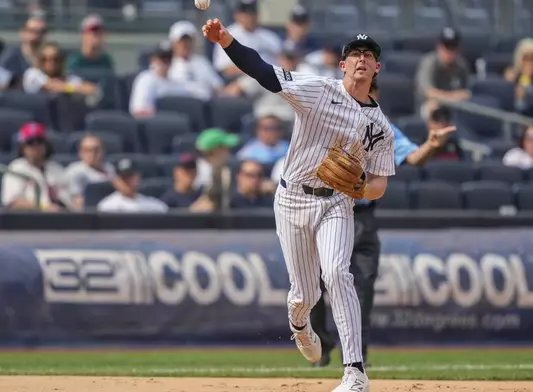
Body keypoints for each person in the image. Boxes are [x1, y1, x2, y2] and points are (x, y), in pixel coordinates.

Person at [204, 19, 395, 391]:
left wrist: (359, 185)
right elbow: (264, 72)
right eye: (354, 54)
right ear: (342, 65)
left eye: (367, 55)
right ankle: (298, 322)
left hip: (337, 203)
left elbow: (379, 185)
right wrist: (225, 40)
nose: (360, 59)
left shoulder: (381, 128)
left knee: (339, 273)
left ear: (376, 67)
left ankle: (355, 372)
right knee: (304, 295)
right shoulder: (317, 90)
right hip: (292, 199)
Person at [309, 81, 456, 367]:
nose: (367, 96)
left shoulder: (383, 129)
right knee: (314, 284)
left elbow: (413, 156)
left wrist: (431, 145)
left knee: (363, 287)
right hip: (325, 211)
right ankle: (322, 348)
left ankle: (356, 354)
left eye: (371, 91)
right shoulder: (327, 120)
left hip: (361, 216)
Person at [2, 122, 70, 211]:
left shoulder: (56, 168)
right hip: (28, 219)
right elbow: (12, 202)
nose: (36, 146)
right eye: (30, 142)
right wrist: (43, 207)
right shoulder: (16, 169)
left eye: (39, 141)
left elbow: (69, 200)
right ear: (23, 147)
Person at [212, 0, 282, 78]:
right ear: (237, 15)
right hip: (240, 80)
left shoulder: (270, 37)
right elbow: (225, 70)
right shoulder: (226, 35)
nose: (249, 18)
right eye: (245, 15)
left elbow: (283, 62)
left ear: (258, 15)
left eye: (252, 14)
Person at [415, 27, 470, 118]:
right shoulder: (429, 63)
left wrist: (454, 98)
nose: (449, 52)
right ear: (439, 47)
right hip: (428, 106)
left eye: (453, 47)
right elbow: (429, 93)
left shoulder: (461, 66)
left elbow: (466, 93)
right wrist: (452, 97)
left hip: (455, 106)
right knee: (434, 107)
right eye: (447, 47)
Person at [129, 41, 194, 118]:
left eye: (169, 59)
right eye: (162, 59)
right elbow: (139, 111)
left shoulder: (176, 80)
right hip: (154, 124)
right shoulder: (146, 79)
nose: (166, 63)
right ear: (153, 60)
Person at [22, 42, 100, 100]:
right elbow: (51, 86)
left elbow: (91, 89)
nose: (51, 63)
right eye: (45, 59)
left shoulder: (71, 78)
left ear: (62, 61)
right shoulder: (32, 74)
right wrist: (73, 89)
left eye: (55, 59)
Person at [168, 20, 224, 100]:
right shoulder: (166, 63)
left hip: (203, 105)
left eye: (188, 40)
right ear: (173, 42)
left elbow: (218, 86)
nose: (185, 44)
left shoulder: (202, 62)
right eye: (181, 41)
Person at [64, 134, 116, 210]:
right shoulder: (75, 171)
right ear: (81, 153)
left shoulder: (109, 167)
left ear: (103, 151)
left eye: (97, 150)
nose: (93, 154)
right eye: (88, 150)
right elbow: (77, 202)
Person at [97, 158, 168, 213]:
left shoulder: (153, 205)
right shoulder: (107, 207)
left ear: (139, 178)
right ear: (116, 181)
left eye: (131, 177)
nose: (128, 182)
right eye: (124, 178)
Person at [0, 15, 47, 87]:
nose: (35, 35)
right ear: (23, 32)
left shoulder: (49, 56)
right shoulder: (11, 55)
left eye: (40, 32)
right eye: (31, 31)